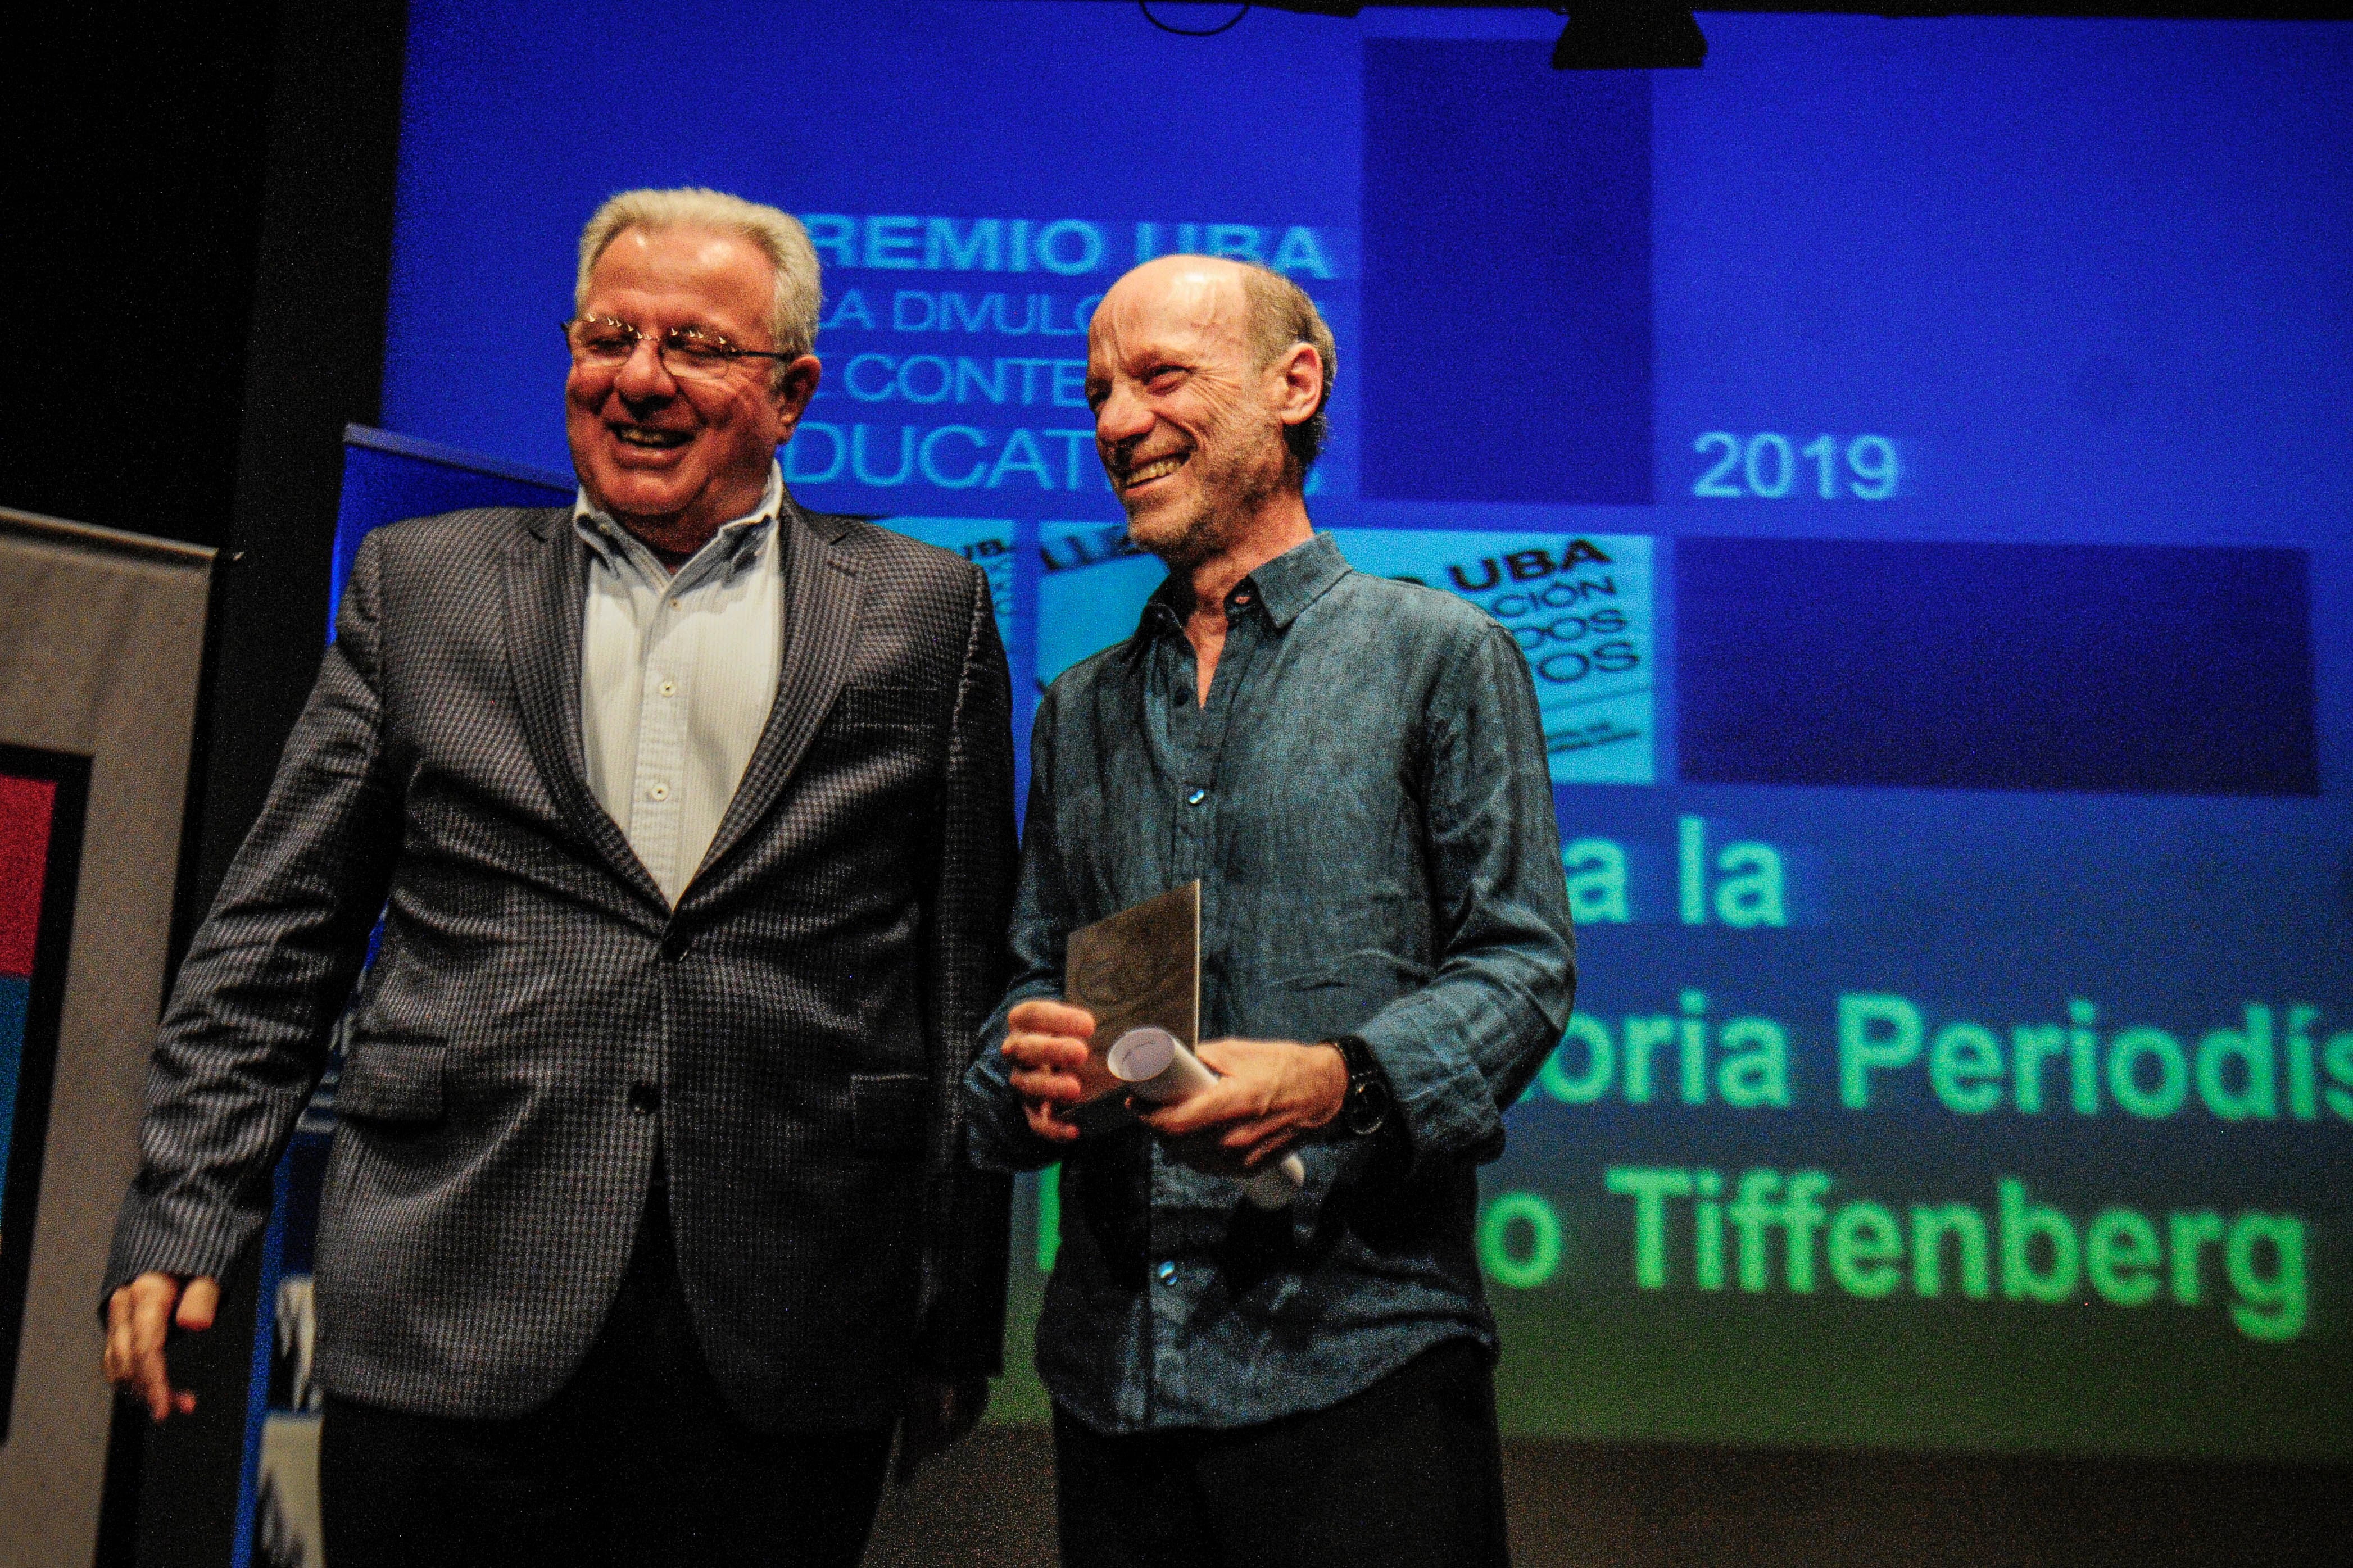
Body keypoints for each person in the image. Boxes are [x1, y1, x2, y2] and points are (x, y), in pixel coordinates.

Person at [101, 187, 1016, 1567]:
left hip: (783, 1322)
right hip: (449, 1302)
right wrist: (189, 1204)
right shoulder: (426, 586)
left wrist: (953, 1311)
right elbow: (275, 936)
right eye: (607, 336)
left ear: (793, 392)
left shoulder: (923, 611)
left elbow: (960, 982)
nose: (639, 379)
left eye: (696, 348)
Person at [963, 254, 1577, 1567]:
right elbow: (1025, 981)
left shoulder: (1440, 655)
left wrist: (1339, 1078)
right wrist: (1028, 1063)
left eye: (1162, 377)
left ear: (1294, 385)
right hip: (1115, 1376)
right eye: (1099, 394)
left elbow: (1522, 967)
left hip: (1356, 1356)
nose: (1118, 422)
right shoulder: (1076, 711)